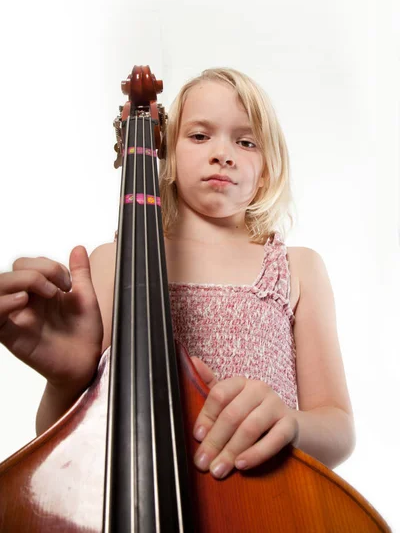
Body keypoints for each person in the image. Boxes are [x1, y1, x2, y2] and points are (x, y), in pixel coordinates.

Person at [0, 67, 355, 480]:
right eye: (200, 136)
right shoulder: (115, 261)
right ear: (163, 153)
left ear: (268, 172)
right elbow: (66, 448)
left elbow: (338, 428)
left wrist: (290, 424)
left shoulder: (298, 267)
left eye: (246, 141)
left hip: (269, 504)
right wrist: (65, 382)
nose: (223, 153)